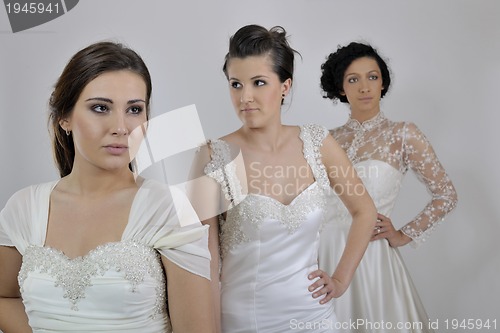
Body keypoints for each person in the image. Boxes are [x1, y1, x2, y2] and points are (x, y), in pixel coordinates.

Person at [0, 41, 215, 333]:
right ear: (65, 117)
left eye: (134, 109)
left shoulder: (169, 208)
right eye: (101, 108)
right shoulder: (23, 207)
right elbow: (5, 297)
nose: (121, 126)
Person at [189, 25, 377, 333]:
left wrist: (341, 279)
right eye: (235, 84)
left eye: (258, 83)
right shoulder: (211, 156)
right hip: (244, 321)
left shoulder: (319, 142)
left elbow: (365, 211)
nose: (245, 97)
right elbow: (202, 263)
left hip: (316, 317)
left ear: (285, 86)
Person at [318, 42, 458, 332]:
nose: (364, 87)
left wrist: (403, 234)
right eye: (353, 79)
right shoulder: (326, 140)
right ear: (341, 88)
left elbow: (446, 195)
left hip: (372, 260)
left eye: (372, 76)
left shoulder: (403, 134)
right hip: (323, 255)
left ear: (382, 82)